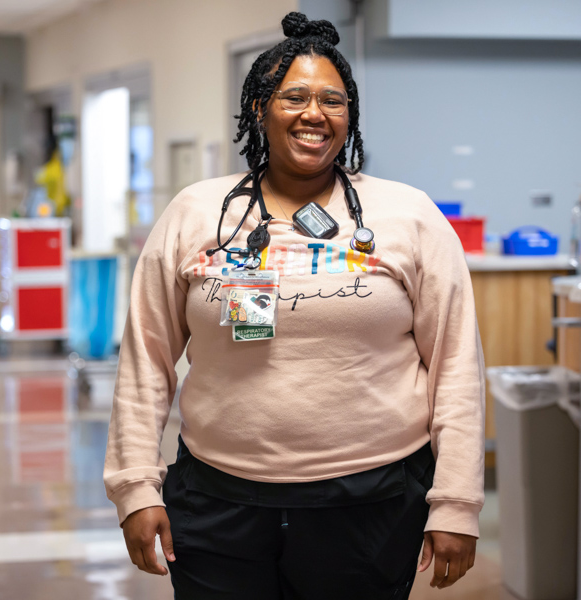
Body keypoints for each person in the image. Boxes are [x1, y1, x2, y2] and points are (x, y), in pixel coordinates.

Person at [104, 11, 484, 599]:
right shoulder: (198, 213)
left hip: (371, 502)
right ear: (259, 108)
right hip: (216, 498)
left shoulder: (408, 216)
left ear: (349, 115)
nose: (315, 114)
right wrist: (135, 486)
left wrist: (455, 502)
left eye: (333, 100)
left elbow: (457, 366)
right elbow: (145, 360)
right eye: (295, 97)